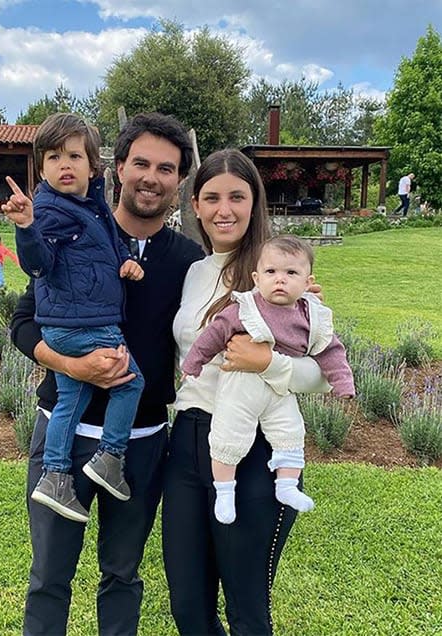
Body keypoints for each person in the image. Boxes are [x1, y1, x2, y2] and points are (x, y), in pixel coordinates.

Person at [7, 112, 205, 635]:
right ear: (116, 169)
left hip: (140, 443)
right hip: (64, 434)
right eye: (140, 162)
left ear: (179, 180)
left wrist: (296, 300)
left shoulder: (190, 260)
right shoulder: (73, 229)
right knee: (50, 575)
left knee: (122, 573)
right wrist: (72, 365)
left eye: (166, 168)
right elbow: (23, 323)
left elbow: (239, 304)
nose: (151, 177)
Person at [165, 148, 330, 635]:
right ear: (195, 205)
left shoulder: (281, 274)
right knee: (188, 607)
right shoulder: (195, 271)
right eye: (212, 197)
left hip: (256, 449)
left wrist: (270, 362)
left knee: (246, 607)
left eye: (237, 197)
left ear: (254, 202)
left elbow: (320, 373)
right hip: (190, 441)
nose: (225, 209)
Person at [7, 112, 146, 524]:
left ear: (92, 165)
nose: (63, 165)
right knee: (130, 382)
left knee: (72, 398)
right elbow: (38, 264)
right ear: (41, 167)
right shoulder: (48, 210)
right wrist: (27, 226)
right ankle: (111, 457)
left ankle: (55, 476)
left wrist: (126, 263)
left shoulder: (93, 205)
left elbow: (108, 244)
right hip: (85, 324)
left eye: (73, 156)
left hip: (66, 324)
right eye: (52, 157)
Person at [182, 234, 355, 524]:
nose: (280, 280)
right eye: (271, 272)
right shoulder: (246, 307)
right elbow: (213, 335)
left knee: (290, 432)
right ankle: (224, 491)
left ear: (307, 280)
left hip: (280, 391)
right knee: (229, 436)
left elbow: (330, 350)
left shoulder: (311, 314)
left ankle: (286, 485)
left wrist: (343, 383)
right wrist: (193, 363)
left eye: (291, 273)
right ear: (257, 277)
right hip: (241, 386)